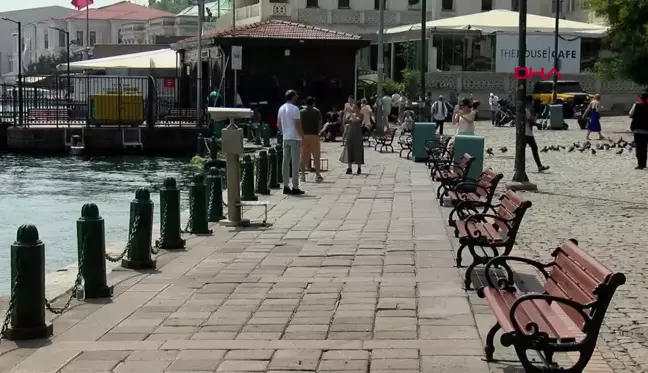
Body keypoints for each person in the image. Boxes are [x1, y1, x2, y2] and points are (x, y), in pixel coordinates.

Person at [277, 89, 305, 195]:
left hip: (286, 137)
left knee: (285, 162)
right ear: (293, 97)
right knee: (295, 162)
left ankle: (285, 185)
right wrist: (302, 136)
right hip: (295, 138)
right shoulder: (295, 109)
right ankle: (295, 186)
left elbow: (278, 124)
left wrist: (284, 132)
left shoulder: (281, 108)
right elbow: (297, 125)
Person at [299, 97, 324, 182]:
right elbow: (319, 123)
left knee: (303, 156)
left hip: (304, 136)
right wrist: (318, 132)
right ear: (313, 103)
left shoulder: (301, 112)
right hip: (314, 135)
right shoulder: (316, 111)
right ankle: (317, 174)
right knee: (316, 156)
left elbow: (299, 124)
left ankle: (302, 175)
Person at [525, 96, 550, 172]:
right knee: (529, 149)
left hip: (528, 133)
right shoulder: (525, 110)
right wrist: (537, 124)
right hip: (525, 133)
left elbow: (530, 121)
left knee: (532, 149)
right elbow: (529, 122)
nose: (532, 104)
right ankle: (539, 166)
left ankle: (539, 166)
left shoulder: (528, 110)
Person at [340, 101, 365, 174]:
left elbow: (356, 120)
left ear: (358, 108)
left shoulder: (361, 115)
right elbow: (345, 120)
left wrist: (350, 113)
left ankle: (359, 167)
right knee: (349, 150)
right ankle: (349, 167)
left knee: (358, 150)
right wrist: (345, 112)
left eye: (355, 107)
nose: (353, 108)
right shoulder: (351, 115)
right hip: (350, 134)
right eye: (353, 107)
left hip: (357, 135)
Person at [629, 91, 648, 169]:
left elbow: (630, 114)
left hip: (638, 130)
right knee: (645, 147)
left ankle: (641, 164)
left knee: (640, 148)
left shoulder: (636, 105)